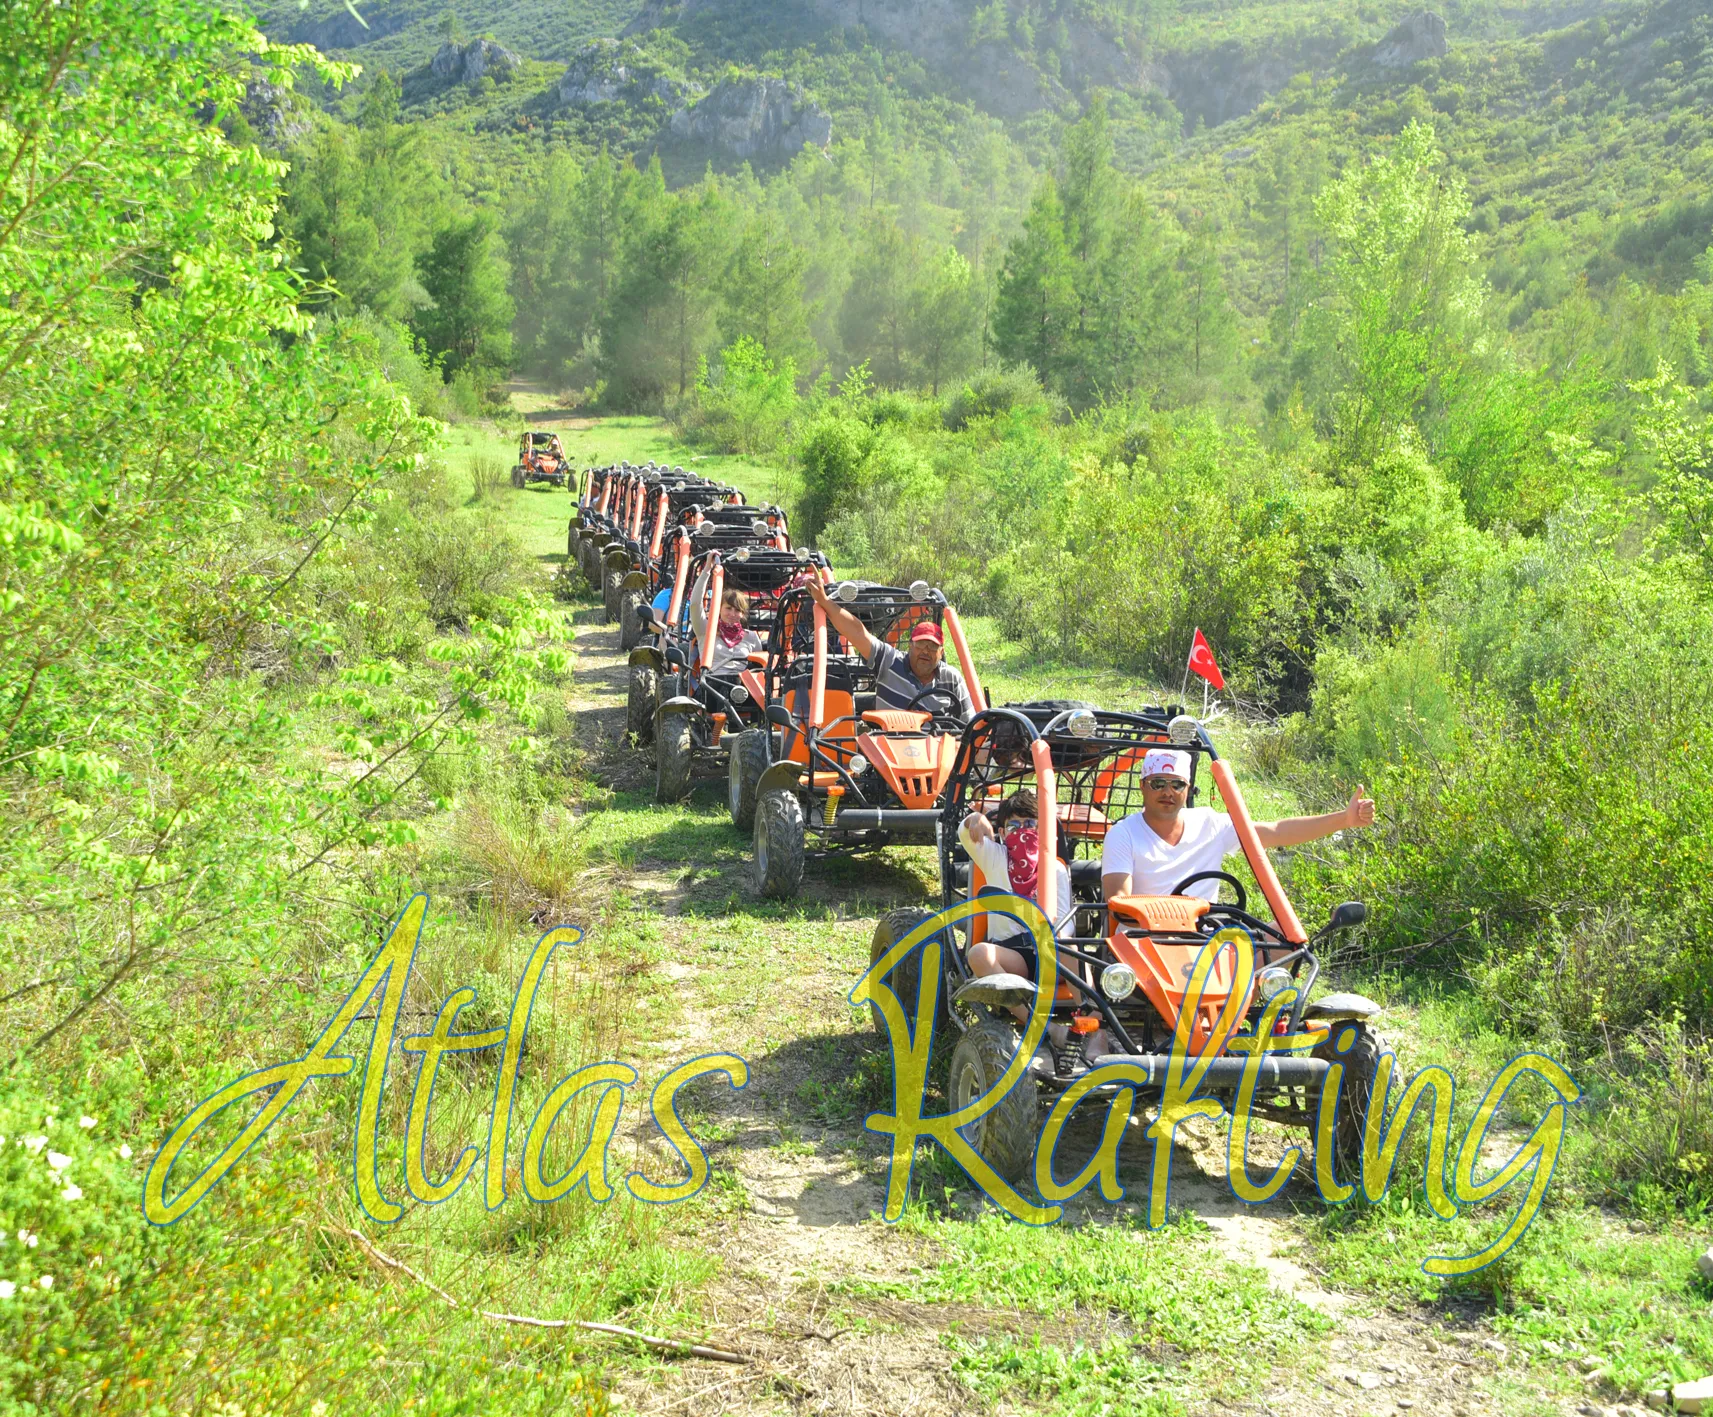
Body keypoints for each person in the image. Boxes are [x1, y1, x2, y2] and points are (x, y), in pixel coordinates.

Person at [1100, 748, 1376, 902]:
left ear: (1188, 789)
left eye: (1177, 784)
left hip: (1207, 938)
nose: (1167, 792)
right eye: (1158, 783)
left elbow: (1277, 831)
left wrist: (1344, 819)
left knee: (1283, 937)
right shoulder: (1123, 834)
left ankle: (1252, 1003)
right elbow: (1118, 902)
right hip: (1144, 941)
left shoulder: (1209, 823)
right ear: (1143, 787)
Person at [804, 578, 974, 719]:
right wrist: (825, 601)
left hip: (938, 752)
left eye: (932, 647)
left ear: (941, 653)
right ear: (910, 646)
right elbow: (858, 632)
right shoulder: (890, 661)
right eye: (921, 644)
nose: (925, 651)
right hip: (890, 748)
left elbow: (970, 724)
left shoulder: (951, 678)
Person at [688, 561, 763, 675]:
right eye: (728, 608)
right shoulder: (706, 630)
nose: (732, 614)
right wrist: (707, 569)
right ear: (719, 609)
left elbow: (759, 669)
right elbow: (695, 604)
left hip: (742, 686)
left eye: (737, 610)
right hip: (712, 683)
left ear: (742, 614)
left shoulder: (751, 637)